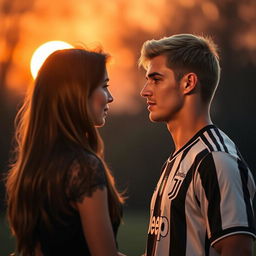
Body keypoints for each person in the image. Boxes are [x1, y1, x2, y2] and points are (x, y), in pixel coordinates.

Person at [139, 34, 256, 256]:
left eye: (156, 79)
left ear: (188, 83)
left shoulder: (215, 158)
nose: (144, 90)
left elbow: (238, 250)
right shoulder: (179, 158)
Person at [6, 48, 126, 256]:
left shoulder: (32, 168)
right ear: (77, 93)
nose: (111, 97)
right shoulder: (83, 168)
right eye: (104, 87)